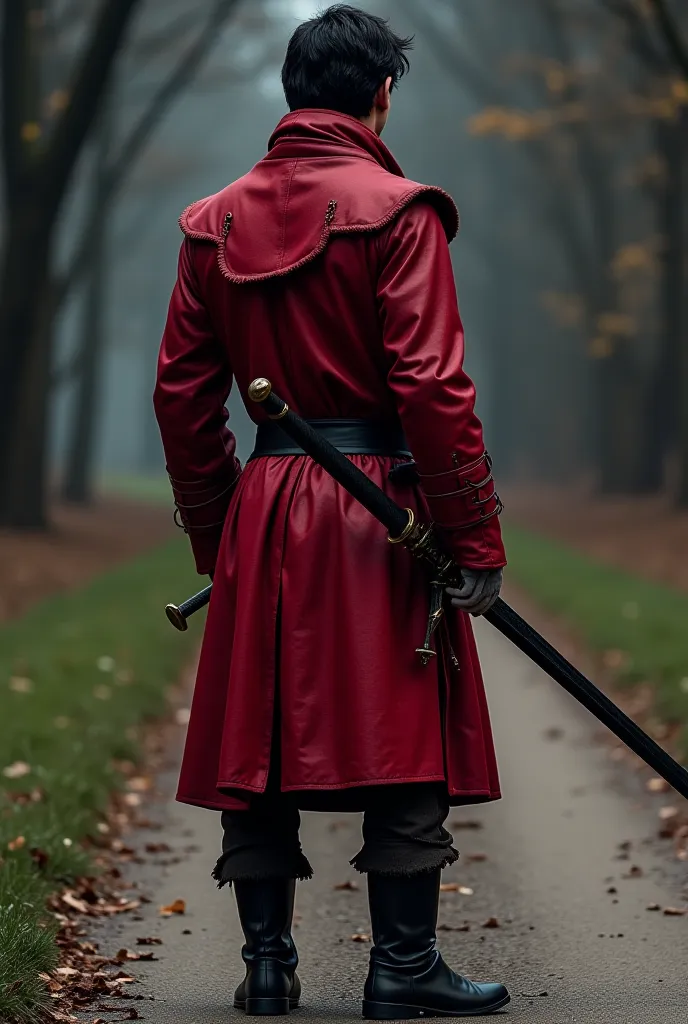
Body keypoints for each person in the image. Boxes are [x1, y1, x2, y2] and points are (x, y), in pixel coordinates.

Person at [154, 4, 509, 1018]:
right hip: (380, 512)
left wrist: (222, 530)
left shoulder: (209, 223)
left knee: (258, 733)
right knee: (404, 734)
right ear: (380, 97)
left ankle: (267, 965)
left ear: (291, 96)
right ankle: (400, 969)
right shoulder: (398, 212)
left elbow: (181, 400)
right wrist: (472, 537)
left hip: (266, 505)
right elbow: (432, 389)